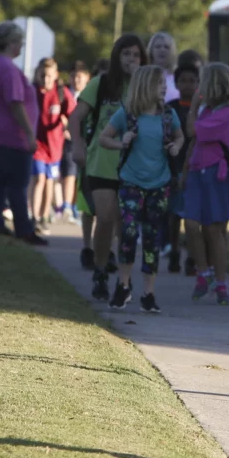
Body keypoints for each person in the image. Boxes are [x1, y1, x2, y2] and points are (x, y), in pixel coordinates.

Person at [98, 65, 183, 313]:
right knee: (128, 233)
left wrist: (176, 147)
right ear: (145, 87)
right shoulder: (127, 115)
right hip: (131, 182)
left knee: (152, 237)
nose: (164, 89)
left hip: (159, 185)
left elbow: (179, 137)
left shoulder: (168, 116)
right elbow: (104, 137)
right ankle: (123, 285)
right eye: (160, 85)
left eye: (165, 85)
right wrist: (120, 143)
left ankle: (149, 292)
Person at [70, 34, 147, 300]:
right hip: (101, 162)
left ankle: (123, 279)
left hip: (136, 166)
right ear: (117, 57)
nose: (131, 60)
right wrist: (77, 145)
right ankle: (100, 270)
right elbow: (76, 116)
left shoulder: (145, 87)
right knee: (104, 218)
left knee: (125, 226)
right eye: (126, 54)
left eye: (136, 55)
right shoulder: (100, 84)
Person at [179, 62, 229, 305]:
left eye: (203, 82)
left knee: (214, 229)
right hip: (197, 172)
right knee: (190, 224)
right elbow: (194, 144)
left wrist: (193, 106)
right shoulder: (210, 111)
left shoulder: (225, 114)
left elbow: (192, 131)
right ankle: (204, 272)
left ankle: (219, 282)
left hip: (216, 174)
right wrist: (185, 169)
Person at [0, 21, 47, 245]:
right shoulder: (8, 69)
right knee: (18, 183)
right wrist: (29, 133)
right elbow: (15, 103)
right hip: (11, 134)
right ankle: (24, 228)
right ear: (11, 43)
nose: (21, 47)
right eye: (20, 42)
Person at [30, 58, 75, 235]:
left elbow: (73, 114)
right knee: (39, 179)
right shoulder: (32, 91)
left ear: (56, 76)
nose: (46, 79)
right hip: (36, 145)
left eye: (49, 76)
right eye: (42, 75)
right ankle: (33, 216)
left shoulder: (61, 93)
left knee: (50, 182)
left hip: (55, 147)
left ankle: (43, 217)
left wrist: (69, 126)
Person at [164, 62, 199, 275]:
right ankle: (174, 251)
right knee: (174, 214)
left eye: (192, 81)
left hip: (196, 166)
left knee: (193, 217)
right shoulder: (171, 108)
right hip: (175, 166)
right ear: (176, 83)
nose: (187, 84)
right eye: (183, 81)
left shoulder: (202, 108)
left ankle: (192, 257)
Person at [55, 61, 91, 224]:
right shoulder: (64, 94)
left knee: (79, 175)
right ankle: (66, 206)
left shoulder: (90, 96)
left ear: (87, 79)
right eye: (73, 77)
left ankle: (77, 206)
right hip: (67, 140)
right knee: (68, 173)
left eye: (80, 77)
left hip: (85, 140)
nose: (76, 80)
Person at [147, 32, 179, 103]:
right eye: (158, 47)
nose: (162, 50)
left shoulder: (178, 76)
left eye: (166, 47)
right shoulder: (144, 76)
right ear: (151, 50)